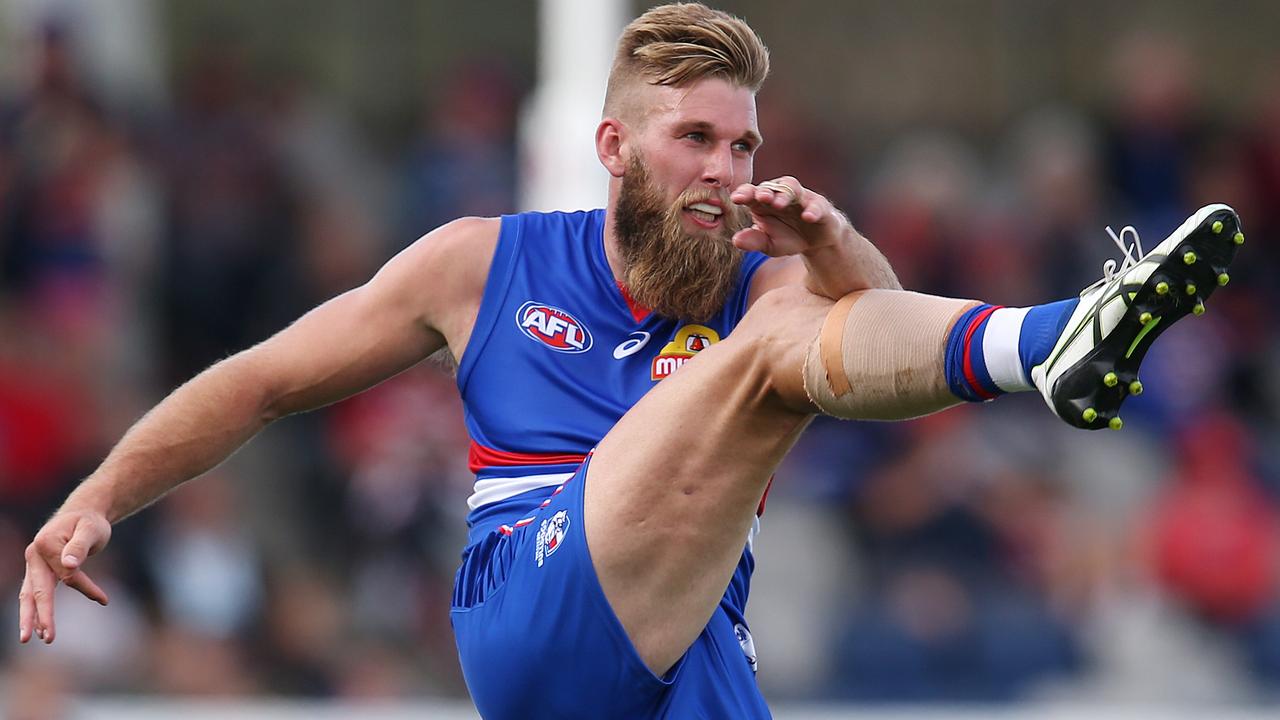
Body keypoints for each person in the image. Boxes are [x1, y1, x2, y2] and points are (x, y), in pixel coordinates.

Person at [19, 3, 1243, 718]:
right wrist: (95, 499)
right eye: (694, 138)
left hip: (684, 651)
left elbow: (874, 366)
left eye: (742, 142)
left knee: (787, 334)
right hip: (526, 611)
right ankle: (1053, 340)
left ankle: (1062, 347)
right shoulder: (478, 263)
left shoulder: (774, 278)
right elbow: (259, 381)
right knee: (770, 340)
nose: (724, 167)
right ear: (612, 145)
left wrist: (838, 244)